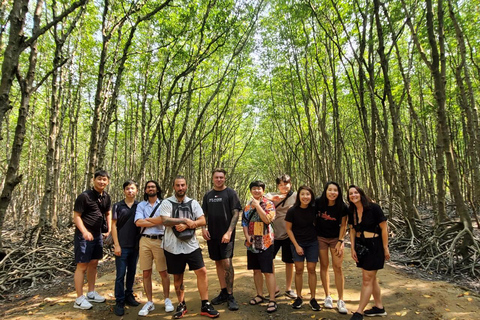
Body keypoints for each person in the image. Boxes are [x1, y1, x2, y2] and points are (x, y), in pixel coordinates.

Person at [149, 175, 219, 319]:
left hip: (191, 245)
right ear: (174, 187)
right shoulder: (167, 202)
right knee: (178, 276)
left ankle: (205, 304)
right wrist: (185, 220)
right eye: (178, 185)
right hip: (172, 246)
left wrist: (189, 224)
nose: (180, 188)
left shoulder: (193, 203)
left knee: (202, 272)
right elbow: (165, 220)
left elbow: (202, 219)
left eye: (183, 185)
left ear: (186, 186)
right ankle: (181, 305)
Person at [201, 168, 242, 311]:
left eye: (221, 177)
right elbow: (203, 215)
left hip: (226, 235)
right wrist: (203, 229)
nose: (219, 179)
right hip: (212, 235)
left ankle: (231, 295)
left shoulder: (231, 193)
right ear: (213, 178)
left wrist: (229, 232)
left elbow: (236, 213)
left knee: (227, 263)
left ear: (225, 178)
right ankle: (223, 291)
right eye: (216, 177)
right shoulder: (208, 195)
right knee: (218, 262)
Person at [347, 185, 390, 320]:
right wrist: (353, 248)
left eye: (355, 192)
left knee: (367, 279)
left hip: (374, 246)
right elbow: (352, 230)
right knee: (371, 279)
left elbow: (384, 228)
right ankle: (379, 307)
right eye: (350, 194)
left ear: (361, 193)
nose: (353, 195)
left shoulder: (373, 208)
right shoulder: (352, 210)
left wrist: (385, 247)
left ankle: (359, 312)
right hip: (361, 246)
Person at [72, 170, 111, 310]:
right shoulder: (84, 196)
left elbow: (108, 212)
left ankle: (91, 293)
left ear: (108, 182)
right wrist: (84, 231)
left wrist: (109, 229)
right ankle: (79, 299)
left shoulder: (106, 197)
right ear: (93, 180)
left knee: (94, 263)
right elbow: (76, 216)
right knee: (82, 265)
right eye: (99, 179)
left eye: (104, 179)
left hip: (98, 235)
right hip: (84, 236)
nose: (102, 182)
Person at [134, 180, 173, 316]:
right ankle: (149, 301)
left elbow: (164, 220)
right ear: (145, 190)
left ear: (157, 189)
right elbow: (138, 223)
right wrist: (156, 220)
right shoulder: (141, 205)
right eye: (148, 187)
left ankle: (167, 299)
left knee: (163, 272)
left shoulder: (164, 204)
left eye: (153, 187)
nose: (151, 189)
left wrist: (149, 220)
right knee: (146, 272)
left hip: (160, 241)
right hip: (144, 240)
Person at [242, 180, 278, 313]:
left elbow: (267, 219)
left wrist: (257, 205)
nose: (257, 191)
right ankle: (259, 295)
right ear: (251, 190)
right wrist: (247, 237)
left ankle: (273, 299)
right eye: (254, 188)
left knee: (267, 271)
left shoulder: (269, 204)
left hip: (266, 242)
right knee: (256, 270)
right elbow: (244, 223)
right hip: (252, 243)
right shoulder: (247, 206)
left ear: (263, 190)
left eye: (259, 188)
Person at [285, 186, 321, 311]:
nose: (305, 197)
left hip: (312, 242)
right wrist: (296, 245)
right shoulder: (292, 211)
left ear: (311, 196)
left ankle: (313, 298)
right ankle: (299, 297)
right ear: (298, 196)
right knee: (299, 269)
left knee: (312, 269)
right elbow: (288, 229)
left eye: (308, 194)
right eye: (302, 194)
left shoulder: (314, 209)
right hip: (297, 242)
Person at [315, 181, 349, 314]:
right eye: (330, 190)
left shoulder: (342, 206)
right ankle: (327, 296)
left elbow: (344, 226)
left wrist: (340, 241)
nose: (332, 193)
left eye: (335, 190)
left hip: (336, 239)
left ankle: (341, 299)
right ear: (325, 191)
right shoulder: (318, 202)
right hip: (321, 238)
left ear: (338, 192)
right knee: (324, 266)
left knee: (338, 267)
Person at [111, 180, 140, 316]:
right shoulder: (117, 206)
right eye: (127, 189)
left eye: (132, 188)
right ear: (124, 191)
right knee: (120, 274)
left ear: (137, 191)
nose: (130, 191)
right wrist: (116, 244)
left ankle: (129, 295)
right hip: (121, 246)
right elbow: (114, 225)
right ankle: (119, 301)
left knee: (132, 272)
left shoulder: (140, 206)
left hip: (135, 246)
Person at [267, 174, 296, 299]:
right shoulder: (272, 196)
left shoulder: (295, 196)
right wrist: (272, 197)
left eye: (286, 184)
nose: (284, 187)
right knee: (268, 260)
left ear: (290, 184)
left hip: (290, 234)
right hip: (273, 234)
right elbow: (259, 198)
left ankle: (288, 289)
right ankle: (274, 288)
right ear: (278, 186)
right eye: (281, 185)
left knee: (289, 262)